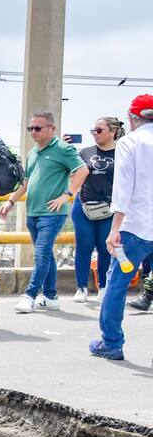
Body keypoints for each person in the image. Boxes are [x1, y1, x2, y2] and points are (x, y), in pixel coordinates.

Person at [0, 111, 87, 313]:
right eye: (30, 128)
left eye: (37, 128)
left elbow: (82, 171)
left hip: (52, 214)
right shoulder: (32, 153)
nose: (33, 132)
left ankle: (30, 295)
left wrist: (66, 195)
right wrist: (10, 202)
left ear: (51, 129)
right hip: (33, 213)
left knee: (41, 255)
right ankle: (50, 296)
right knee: (47, 255)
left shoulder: (63, 149)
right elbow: (25, 183)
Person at [89, 93, 153, 361]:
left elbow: (124, 188)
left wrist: (114, 229)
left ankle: (111, 343)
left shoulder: (130, 142)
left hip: (135, 227)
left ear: (132, 118)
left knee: (116, 284)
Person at [69, 117, 124, 302]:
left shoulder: (122, 153)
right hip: (84, 204)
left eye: (99, 130)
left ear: (113, 131)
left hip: (109, 207)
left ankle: (103, 286)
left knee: (104, 247)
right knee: (83, 245)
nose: (95, 134)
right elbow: (72, 174)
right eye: (93, 130)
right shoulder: (84, 152)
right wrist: (66, 149)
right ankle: (81, 287)